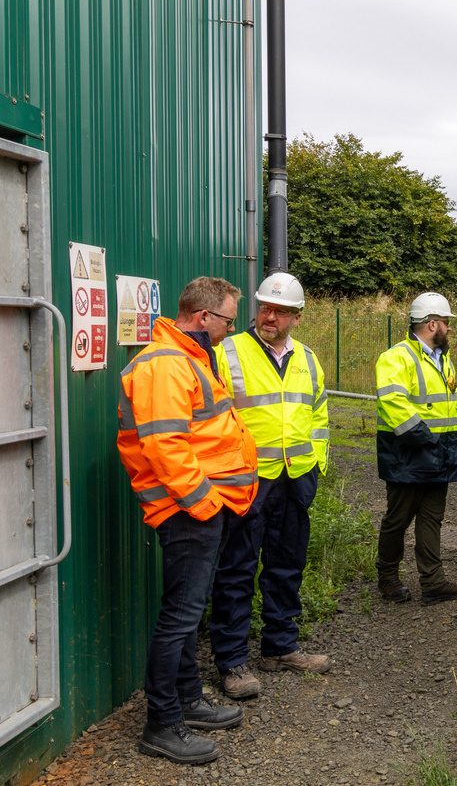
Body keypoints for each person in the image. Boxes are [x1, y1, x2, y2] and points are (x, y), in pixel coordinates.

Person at [117, 277, 258, 765]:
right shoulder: (166, 365)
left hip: (197, 508)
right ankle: (162, 723)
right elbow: (165, 445)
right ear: (203, 318)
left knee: (187, 610)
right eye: (227, 320)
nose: (228, 329)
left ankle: (187, 700)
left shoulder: (188, 358)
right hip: (187, 510)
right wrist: (205, 503)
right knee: (180, 616)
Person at [207, 273, 330, 701]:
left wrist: (317, 464)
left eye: (279, 311)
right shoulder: (227, 353)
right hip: (246, 482)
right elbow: (211, 419)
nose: (269, 316)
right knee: (237, 569)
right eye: (264, 307)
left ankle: (280, 647)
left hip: (295, 480)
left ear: (296, 316)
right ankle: (232, 661)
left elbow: (318, 414)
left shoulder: (308, 359)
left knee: (286, 566)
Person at [375, 292, 457, 607]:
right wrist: (425, 439)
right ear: (432, 324)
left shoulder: (442, 359)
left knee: (432, 519)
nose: (449, 328)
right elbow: (393, 402)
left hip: (438, 454)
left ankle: (433, 583)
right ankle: (388, 578)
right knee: (398, 519)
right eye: (446, 322)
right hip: (410, 454)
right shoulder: (396, 357)